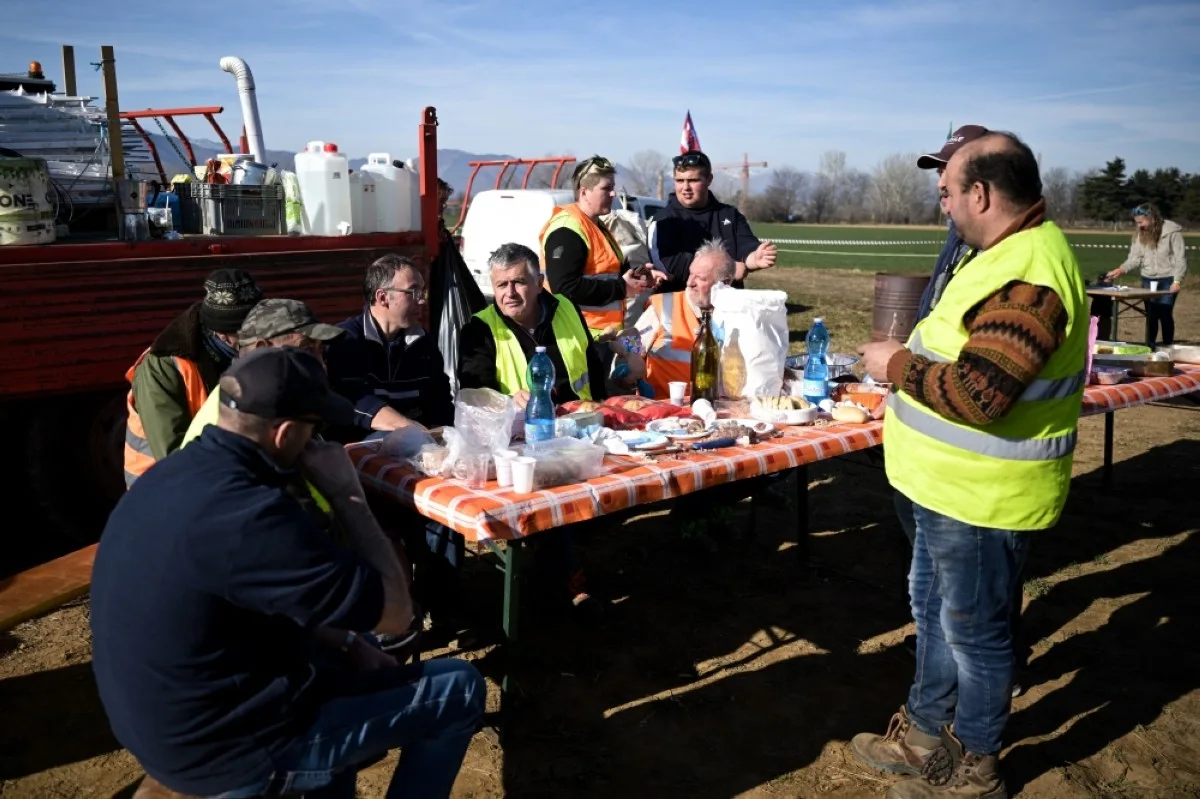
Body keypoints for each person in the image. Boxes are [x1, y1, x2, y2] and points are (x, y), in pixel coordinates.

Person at [92, 347, 485, 799]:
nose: (321, 444)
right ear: (282, 434)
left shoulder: (179, 473)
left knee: (342, 666)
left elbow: (259, 594)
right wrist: (347, 494)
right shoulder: (253, 516)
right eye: (315, 431)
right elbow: (396, 614)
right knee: (459, 689)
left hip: (170, 727)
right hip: (230, 755)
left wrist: (348, 641)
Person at [856, 132, 1088, 799]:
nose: (945, 207)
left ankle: (976, 765)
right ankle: (925, 733)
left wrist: (893, 365)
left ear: (981, 193)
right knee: (933, 614)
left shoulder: (1032, 271)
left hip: (984, 497)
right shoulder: (999, 256)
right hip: (946, 486)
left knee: (978, 635)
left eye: (948, 194)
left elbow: (982, 393)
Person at [123, 268, 262, 488]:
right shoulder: (162, 365)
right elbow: (173, 455)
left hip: (217, 471)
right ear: (223, 333)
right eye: (249, 332)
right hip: (158, 487)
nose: (260, 337)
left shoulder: (242, 352)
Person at [458, 242, 608, 408]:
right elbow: (474, 397)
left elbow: (594, 371)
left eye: (519, 282)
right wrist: (509, 402)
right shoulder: (479, 329)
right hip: (522, 429)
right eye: (502, 285)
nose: (510, 293)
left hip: (582, 420)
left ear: (539, 283)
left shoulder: (567, 308)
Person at [324, 254, 455, 440]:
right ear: (383, 297)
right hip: (360, 450)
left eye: (423, 293)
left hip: (418, 447)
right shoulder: (346, 340)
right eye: (413, 292)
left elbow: (440, 401)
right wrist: (412, 430)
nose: (422, 301)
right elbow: (354, 399)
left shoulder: (424, 342)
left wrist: (449, 439)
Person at [539, 155, 659, 334]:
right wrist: (621, 288)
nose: (613, 194)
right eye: (606, 188)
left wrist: (639, 277)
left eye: (613, 188)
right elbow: (564, 288)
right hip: (579, 337)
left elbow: (607, 273)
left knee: (637, 357)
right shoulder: (567, 229)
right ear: (584, 192)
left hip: (608, 334)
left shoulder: (597, 224)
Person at [649, 150, 777, 293]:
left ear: (709, 179)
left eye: (693, 180)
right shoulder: (663, 220)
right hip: (679, 306)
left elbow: (745, 246)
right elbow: (669, 263)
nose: (685, 187)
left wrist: (754, 258)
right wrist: (727, 270)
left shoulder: (730, 214)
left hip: (726, 306)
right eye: (679, 180)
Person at [634, 238, 737, 399]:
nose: (689, 282)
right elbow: (629, 349)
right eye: (690, 274)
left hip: (719, 412)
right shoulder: (662, 306)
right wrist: (627, 371)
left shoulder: (739, 314)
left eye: (701, 278)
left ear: (725, 283)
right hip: (663, 412)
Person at [914, 125, 990, 321]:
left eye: (952, 173)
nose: (941, 184)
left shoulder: (1004, 248)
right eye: (940, 173)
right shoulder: (958, 234)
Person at [1103, 202, 1188, 348]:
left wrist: (1177, 281)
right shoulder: (1139, 235)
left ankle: (1168, 346)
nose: (1139, 226)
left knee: (1165, 313)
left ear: (1152, 218)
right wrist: (1120, 270)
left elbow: (1180, 258)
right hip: (1148, 279)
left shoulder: (1172, 232)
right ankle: (1150, 347)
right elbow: (1135, 258)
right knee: (1151, 315)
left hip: (1168, 279)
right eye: (1136, 223)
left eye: (1141, 222)